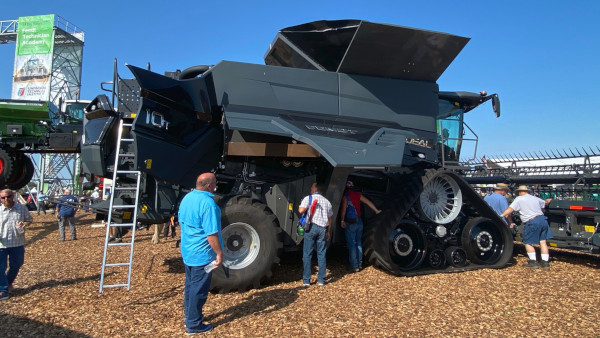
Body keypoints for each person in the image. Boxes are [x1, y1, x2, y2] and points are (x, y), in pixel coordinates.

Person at [178, 173, 223, 334]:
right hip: (202, 254)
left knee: (190, 285)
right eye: (215, 182)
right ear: (210, 185)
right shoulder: (208, 204)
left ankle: (189, 313)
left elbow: (181, 222)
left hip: (188, 251)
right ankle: (194, 324)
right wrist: (219, 253)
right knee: (199, 289)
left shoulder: (187, 199)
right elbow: (211, 234)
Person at [501, 185, 552, 270]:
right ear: (527, 192)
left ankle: (533, 262)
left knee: (528, 242)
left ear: (520, 192)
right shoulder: (535, 198)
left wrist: (501, 215)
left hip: (531, 221)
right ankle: (545, 262)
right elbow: (545, 202)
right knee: (543, 242)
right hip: (542, 219)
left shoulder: (519, 199)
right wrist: (549, 200)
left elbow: (510, 209)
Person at [340, 180, 381, 272]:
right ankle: (359, 263)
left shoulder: (345, 197)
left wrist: (342, 220)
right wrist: (376, 210)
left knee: (352, 244)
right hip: (359, 221)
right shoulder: (358, 195)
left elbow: (343, 210)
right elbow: (368, 202)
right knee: (358, 243)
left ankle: (354, 266)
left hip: (350, 222)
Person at [0, 188, 33, 300]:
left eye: (8, 196)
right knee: (1, 267)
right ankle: (3, 290)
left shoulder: (21, 208)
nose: (5, 199)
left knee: (17, 264)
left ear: (13, 196)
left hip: (17, 242)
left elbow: (29, 220)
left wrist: (24, 224)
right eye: (3, 197)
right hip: (1, 243)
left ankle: (8, 283)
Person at [298, 182, 333, 286]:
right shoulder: (327, 202)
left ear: (316, 188)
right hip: (322, 229)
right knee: (321, 254)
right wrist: (328, 231)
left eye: (312, 186)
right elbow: (329, 219)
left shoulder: (308, 198)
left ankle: (306, 280)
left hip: (311, 228)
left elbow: (300, 210)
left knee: (307, 254)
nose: (310, 188)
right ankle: (321, 280)